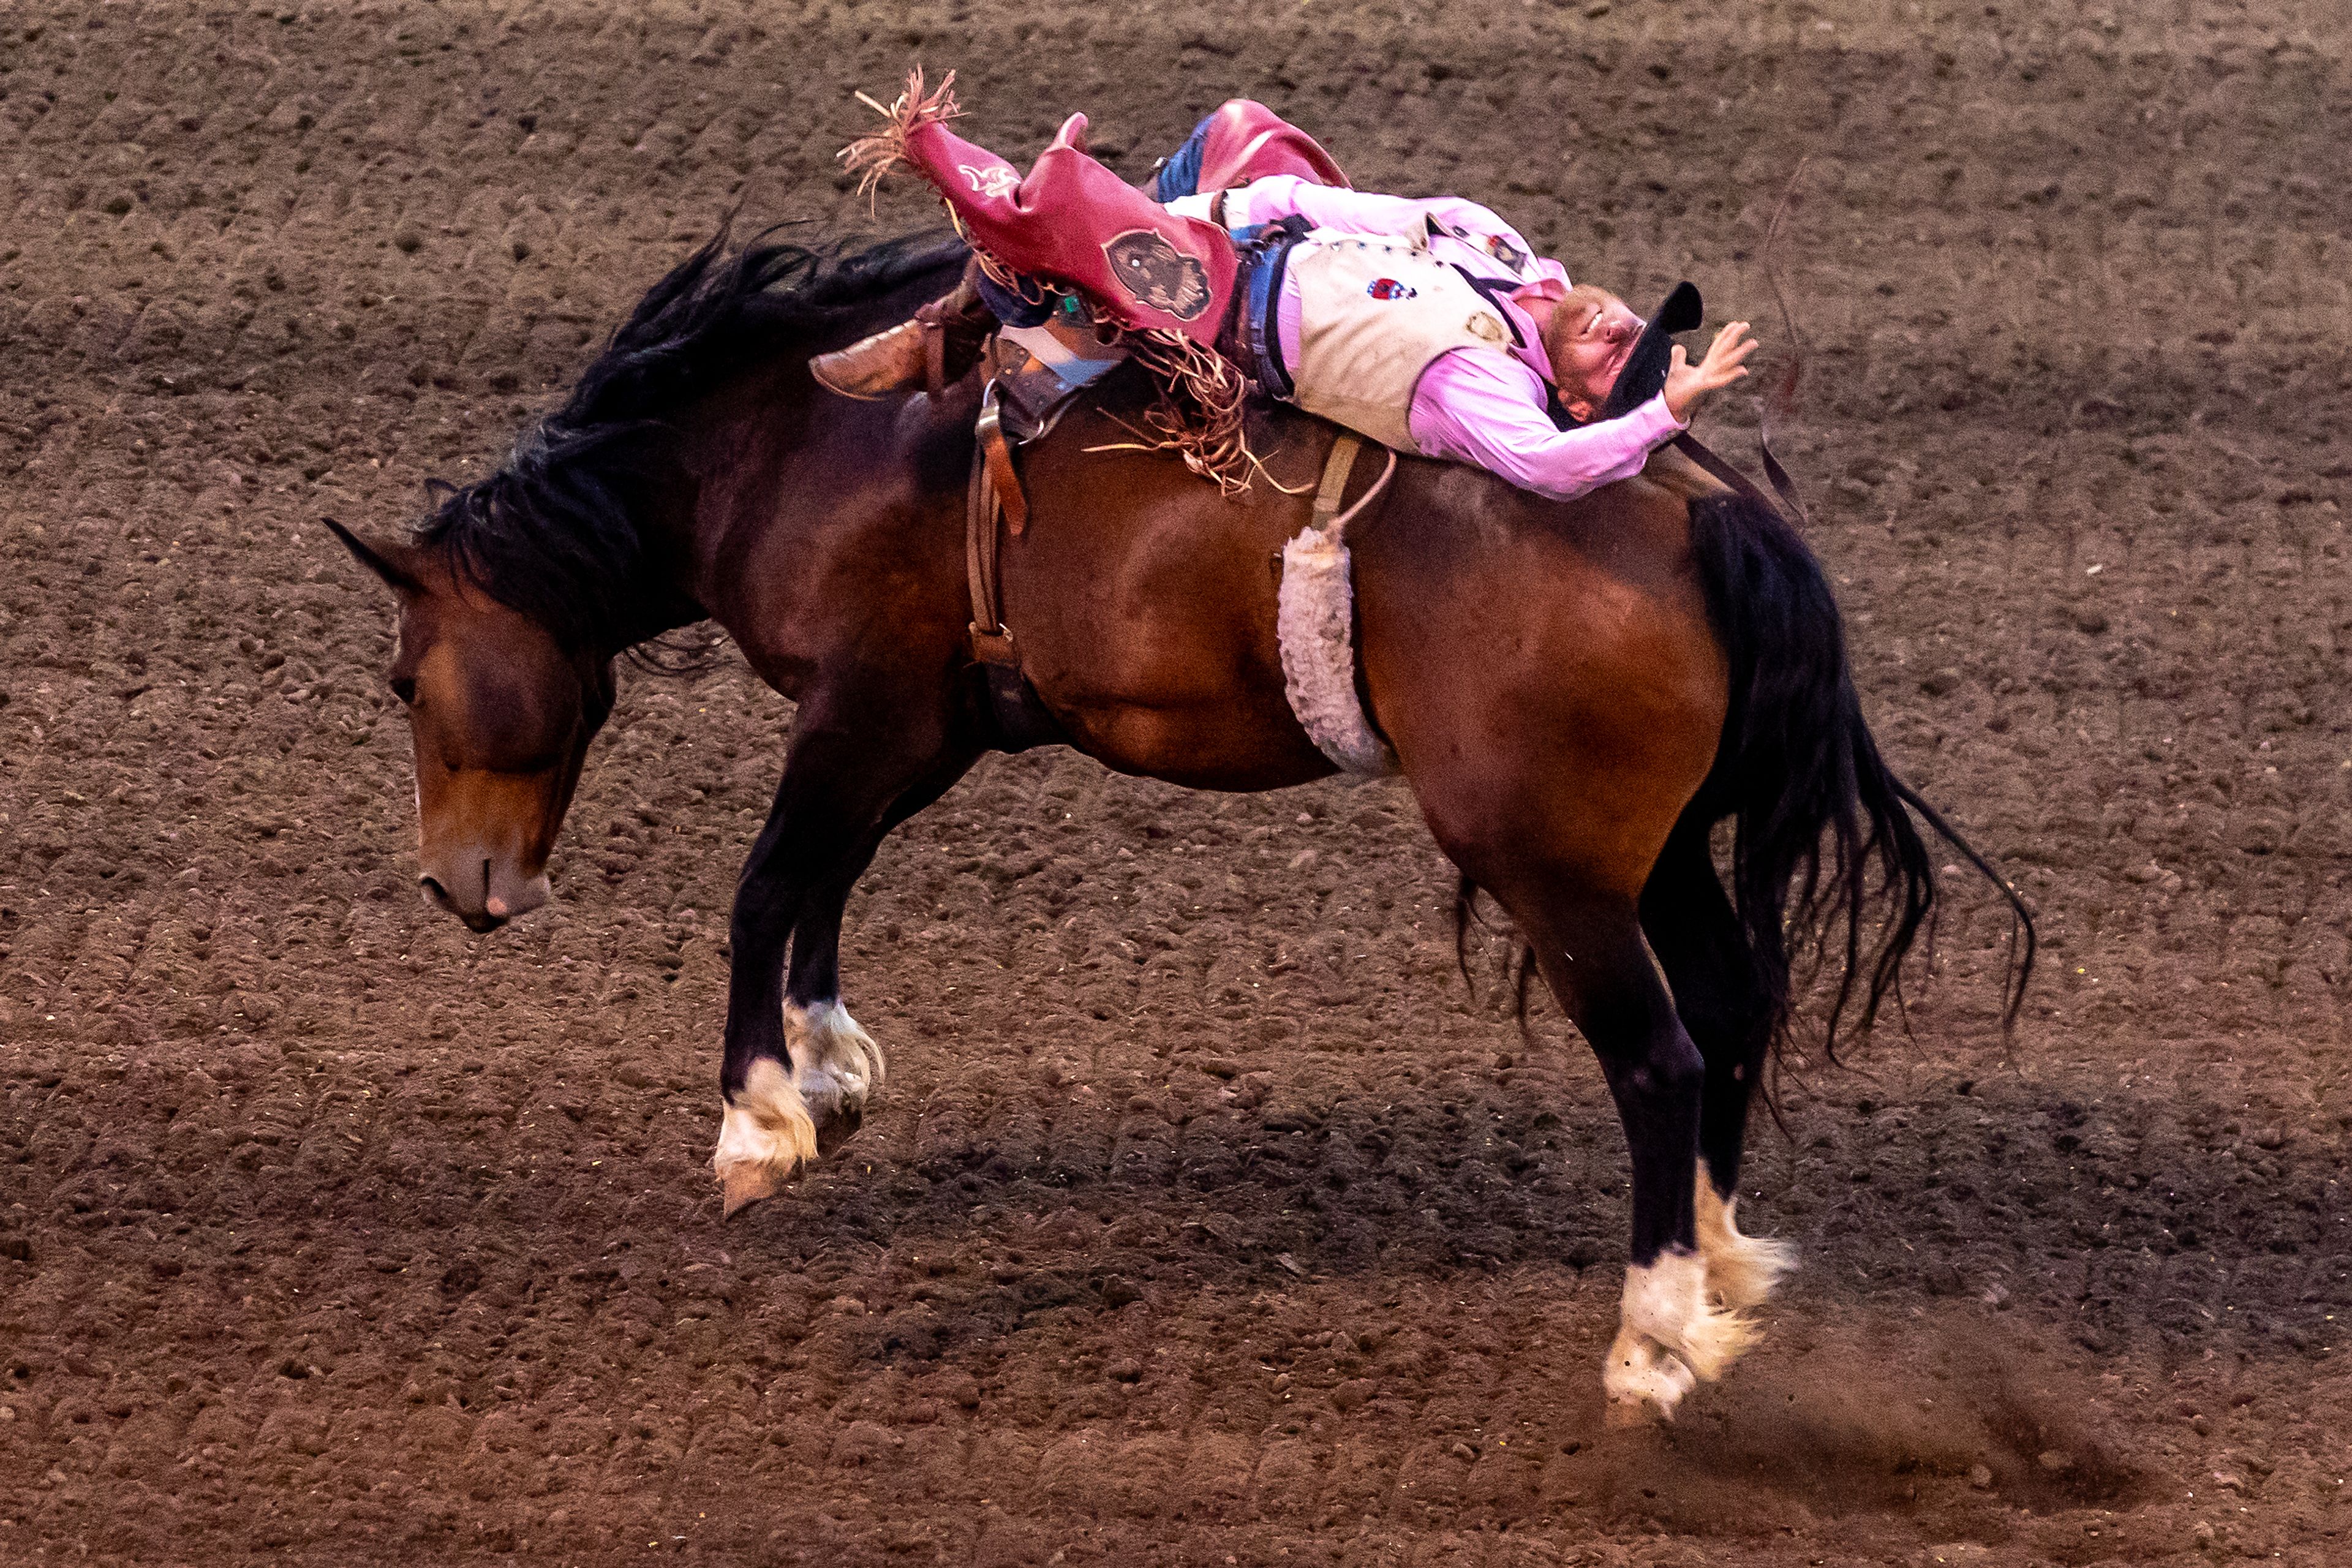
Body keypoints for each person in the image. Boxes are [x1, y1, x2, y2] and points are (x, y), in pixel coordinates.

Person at [816, 87, 1757, 503]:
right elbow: (1348, 207)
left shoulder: (1481, 383)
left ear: (1582, 401)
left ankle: (957, 339)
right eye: (1638, 323)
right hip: (1248, 235)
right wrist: (1206, 207)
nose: (1619, 325)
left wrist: (1660, 414)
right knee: (1245, 129)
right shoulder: (1506, 248)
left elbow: (1549, 466)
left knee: (1059, 207)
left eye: (1614, 358)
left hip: (1224, 318)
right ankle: (1066, 334)